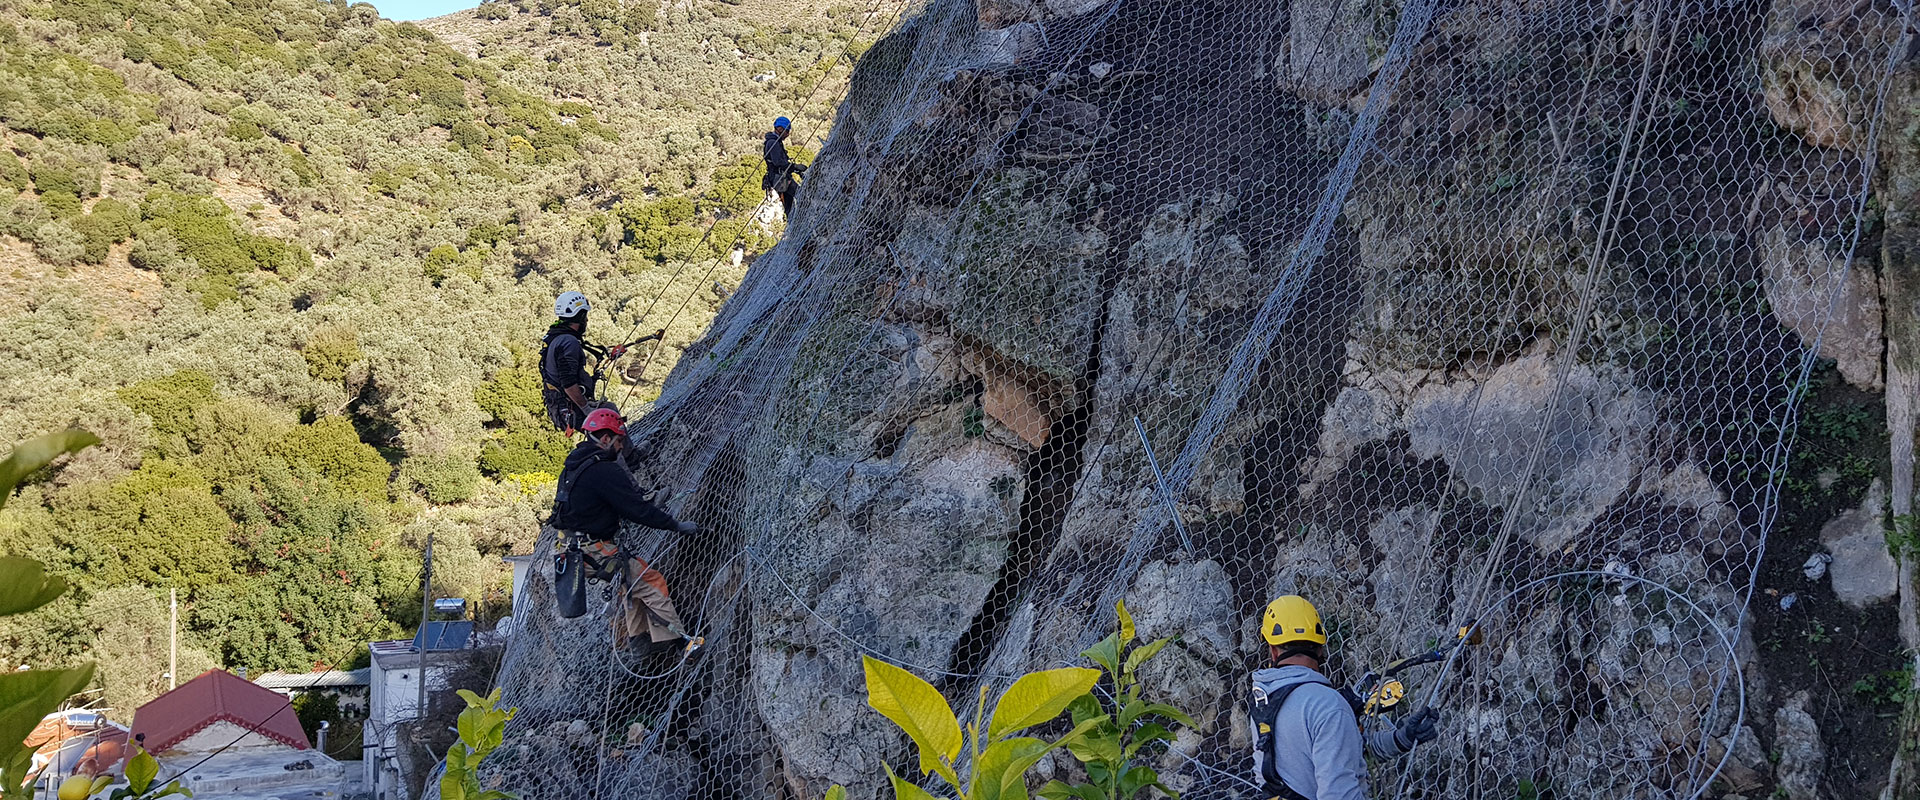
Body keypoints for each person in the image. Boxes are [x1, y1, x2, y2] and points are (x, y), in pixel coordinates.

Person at [1247, 595, 1439, 800]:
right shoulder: (1327, 705)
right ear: (1320, 649)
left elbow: (1346, 755)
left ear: (1273, 652)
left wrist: (1401, 738)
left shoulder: (1263, 701)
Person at [552, 409, 702, 655]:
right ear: (605, 439)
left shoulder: (574, 466)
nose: (621, 447)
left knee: (631, 583)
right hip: (594, 549)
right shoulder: (604, 470)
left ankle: (640, 642)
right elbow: (638, 510)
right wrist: (675, 525)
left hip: (573, 549)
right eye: (619, 440)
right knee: (650, 581)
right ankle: (679, 642)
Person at [539, 291, 661, 433]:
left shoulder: (558, 336)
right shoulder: (568, 343)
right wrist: (586, 409)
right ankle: (626, 447)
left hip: (563, 406)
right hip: (570, 407)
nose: (587, 320)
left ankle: (622, 446)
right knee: (609, 417)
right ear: (580, 316)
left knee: (609, 412)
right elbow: (569, 384)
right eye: (585, 316)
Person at [763, 116, 805, 220]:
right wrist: (795, 167)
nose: (787, 134)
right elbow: (778, 162)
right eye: (787, 131)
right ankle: (800, 219)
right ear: (780, 129)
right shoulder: (773, 143)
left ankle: (793, 221)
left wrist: (794, 169)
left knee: (789, 202)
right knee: (800, 194)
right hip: (779, 178)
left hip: (779, 177)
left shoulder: (775, 141)